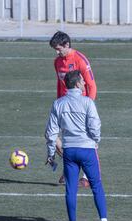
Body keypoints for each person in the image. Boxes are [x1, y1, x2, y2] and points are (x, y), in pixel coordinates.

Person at [45, 70, 112, 221]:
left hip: (69, 150)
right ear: (76, 84)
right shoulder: (87, 102)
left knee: (70, 189)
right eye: (82, 81)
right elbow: (95, 125)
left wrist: (51, 153)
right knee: (96, 185)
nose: (84, 83)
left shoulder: (58, 104)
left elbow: (51, 132)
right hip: (87, 149)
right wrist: (95, 140)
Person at [49, 31, 97, 187]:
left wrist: (89, 106)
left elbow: (91, 85)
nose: (57, 53)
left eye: (58, 49)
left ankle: (87, 176)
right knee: (51, 136)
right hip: (64, 107)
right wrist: (58, 104)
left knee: (87, 141)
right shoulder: (57, 62)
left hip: (81, 107)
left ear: (67, 45)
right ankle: (70, 168)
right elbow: (59, 84)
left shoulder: (79, 60)